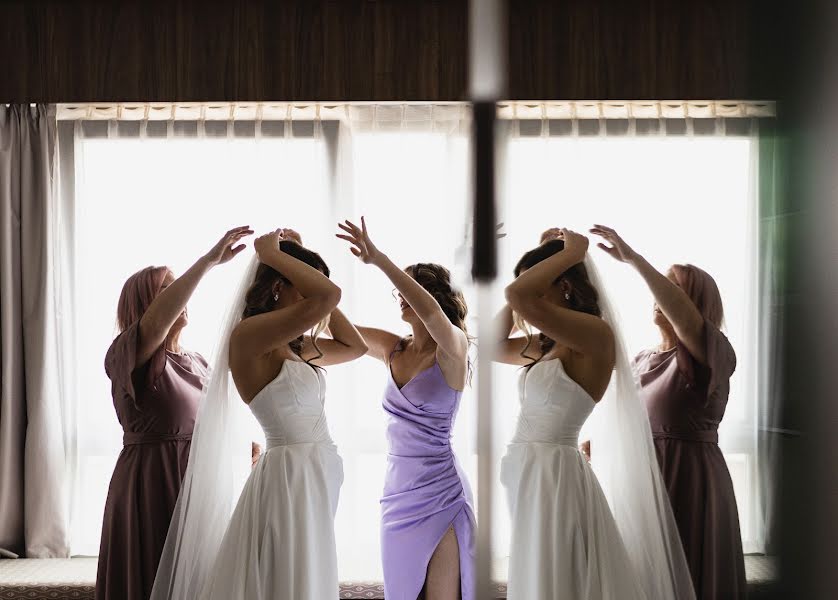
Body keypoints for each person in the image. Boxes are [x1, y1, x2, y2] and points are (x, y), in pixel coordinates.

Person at [96, 226, 252, 600]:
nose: (179, 293)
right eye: (165, 289)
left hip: (196, 484)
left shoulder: (197, 361)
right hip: (151, 482)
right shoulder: (128, 353)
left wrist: (246, 446)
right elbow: (152, 327)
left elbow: (213, 419)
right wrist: (208, 262)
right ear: (145, 305)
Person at [591, 224, 746, 599]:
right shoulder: (643, 358)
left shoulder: (714, 351)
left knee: (688, 573)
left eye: (673, 288)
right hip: (644, 479)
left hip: (690, 476)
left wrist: (634, 261)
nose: (659, 292)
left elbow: (688, 323)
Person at [337, 217, 476, 600]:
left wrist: (380, 259)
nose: (401, 295)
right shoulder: (393, 347)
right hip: (397, 494)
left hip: (441, 493)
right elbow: (338, 330)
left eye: (411, 287)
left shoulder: (454, 349)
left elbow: (431, 315)